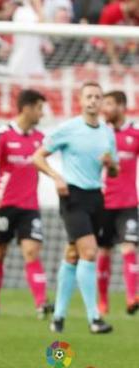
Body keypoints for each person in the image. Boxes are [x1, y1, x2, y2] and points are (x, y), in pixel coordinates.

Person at [32, 81, 118, 334]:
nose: (93, 101)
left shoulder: (106, 133)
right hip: (73, 196)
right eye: (88, 96)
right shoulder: (68, 129)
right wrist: (56, 177)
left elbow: (114, 171)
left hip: (96, 197)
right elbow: (37, 157)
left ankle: (58, 317)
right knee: (89, 252)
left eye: (97, 97)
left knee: (72, 255)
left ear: (102, 102)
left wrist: (110, 164)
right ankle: (94, 318)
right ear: (81, 101)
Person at [0, 89, 52, 319]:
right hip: (4, 204)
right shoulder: (3, 134)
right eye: (39, 108)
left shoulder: (40, 139)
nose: (42, 113)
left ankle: (41, 304)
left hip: (30, 207)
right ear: (27, 108)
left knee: (31, 252)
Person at [97, 90, 139, 316]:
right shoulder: (100, 134)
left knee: (129, 248)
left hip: (128, 204)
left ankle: (132, 296)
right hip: (103, 202)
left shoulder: (135, 133)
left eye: (109, 104)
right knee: (103, 252)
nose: (104, 109)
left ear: (122, 106)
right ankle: (102, 301)